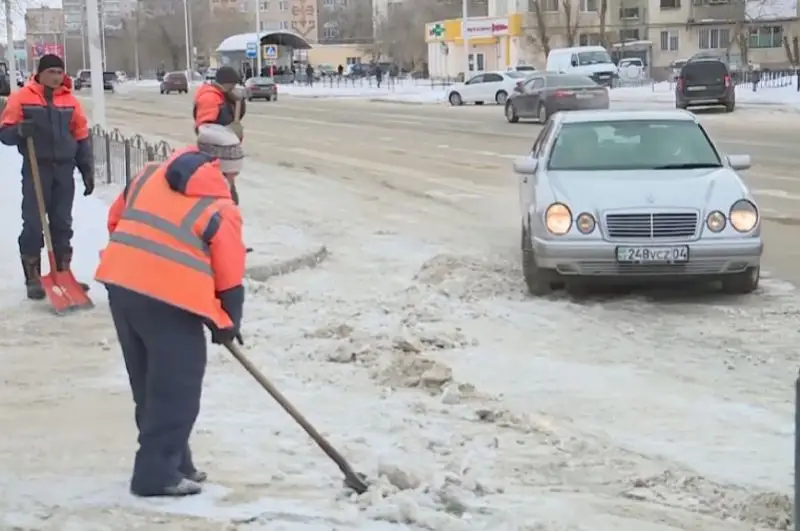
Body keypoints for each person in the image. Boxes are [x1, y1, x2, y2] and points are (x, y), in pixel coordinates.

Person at [95, 124, 246, 497]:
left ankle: (175, 461)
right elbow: (228, 275)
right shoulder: (220, 208)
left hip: (120, 284)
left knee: (149, 383)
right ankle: (155, 475)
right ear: (226, 169)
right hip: (169, 301)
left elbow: (116, 221)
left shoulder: (148, 175)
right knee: (177, 389)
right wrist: (228, 320)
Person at [0, 54, 94, 300]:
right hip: (36, 167)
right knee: (33, 222)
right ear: (40, 74)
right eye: (51, 71)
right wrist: (19, 130)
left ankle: (62, 272)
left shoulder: (71, 102)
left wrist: (86, 168)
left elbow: (81, 134)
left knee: (62, 222)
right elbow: (5, 132)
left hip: (64, 168)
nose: (56, 76)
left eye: (59, 72)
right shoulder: (22, 98)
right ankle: (33, 276)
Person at [193, 65, 246, 204]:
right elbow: (205, 128)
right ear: (226, 83)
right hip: (216, 154)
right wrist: (226, 133)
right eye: (233, 84)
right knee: (222, 193)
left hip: (224, 154)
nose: (234, 87)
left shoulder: (223, 96)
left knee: (228, 191)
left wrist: (237, 102)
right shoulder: (210, 98)